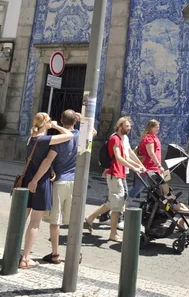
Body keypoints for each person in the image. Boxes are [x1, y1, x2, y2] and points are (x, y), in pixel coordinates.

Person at [18, 112, 74, 269]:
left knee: (22, 218)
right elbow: (69, 135)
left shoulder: (32, 138)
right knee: (34, 223)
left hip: (27, 180)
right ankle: (26, 258)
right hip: (39, 183)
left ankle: (16, 251)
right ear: (46, 123)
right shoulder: (44, 140)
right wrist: (55, 125)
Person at [84, 117, 144, 242]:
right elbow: (118, 158)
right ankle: (113, 234)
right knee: (117, 206)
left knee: (113, 203)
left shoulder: (122, 139)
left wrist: (138, 165)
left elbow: (126, 157)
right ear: (120, 126)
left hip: (119, 174)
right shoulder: (115, 139)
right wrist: (135, 167)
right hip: (115, 174)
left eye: (130, 126)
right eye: (127, 126)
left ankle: (90, 217)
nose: (129, 128)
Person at [42, 109, 82, 264]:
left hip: (59, 182)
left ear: (60, 120)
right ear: (75, 121)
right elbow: (93, 130)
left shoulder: (59, 139)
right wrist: (80, 116)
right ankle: (74, 253)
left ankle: (55, 254)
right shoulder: (80, 136)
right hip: (74, 183)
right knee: (73, 220)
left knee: (56, 220)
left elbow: (48, 160)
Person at [129, 119, 189, 214]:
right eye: (156, 127)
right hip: (149, 170)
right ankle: (121, 205)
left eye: (158, 127)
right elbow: (151, 153)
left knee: (160, 191)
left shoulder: (154, 137)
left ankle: (170, 204)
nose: (158, 129)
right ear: (151, 127)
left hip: (154, 170)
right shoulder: (148, 138)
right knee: (137, 189)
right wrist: (159, 165)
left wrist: (159, 168)